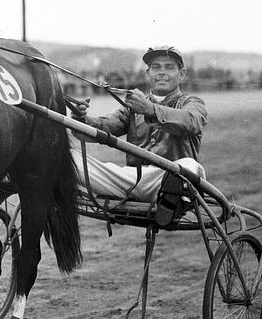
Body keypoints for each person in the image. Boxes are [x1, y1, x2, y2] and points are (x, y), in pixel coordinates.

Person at [71, 45, 207, 219]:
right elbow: (103, 127)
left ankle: (170, 205)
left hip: (168, 179)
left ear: (181, 74)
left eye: (169, 67)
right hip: (133, 180)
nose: (162, 72)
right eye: (156, 67)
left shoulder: (193, 102)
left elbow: (191, 122)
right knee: (68, 157)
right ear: (147, 73)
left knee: (189, 166)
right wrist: (80, 119)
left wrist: (150, 109)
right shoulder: (133, 108)